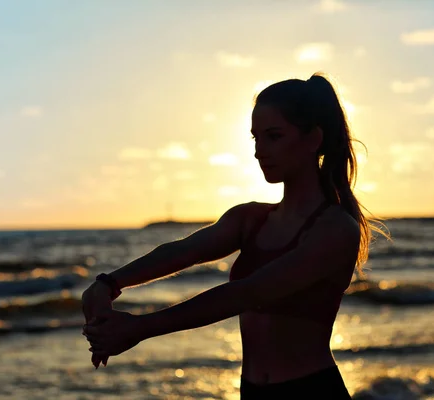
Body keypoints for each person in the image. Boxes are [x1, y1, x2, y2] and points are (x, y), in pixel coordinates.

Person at [82, 72, 389, 399]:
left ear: (313, 139)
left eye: (274, 136)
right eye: (255, 138)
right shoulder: (250, 218)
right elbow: (184, 251)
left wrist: (139, 328)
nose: (259, 151)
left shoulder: (336, 228)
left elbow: (249, 292)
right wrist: (108, 284)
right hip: (251, 392)